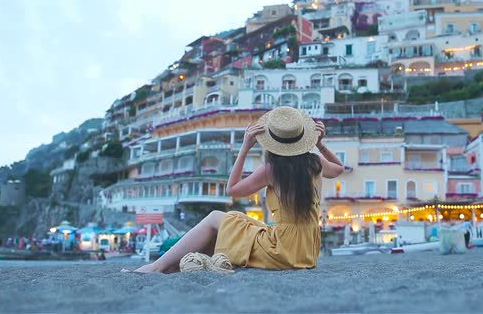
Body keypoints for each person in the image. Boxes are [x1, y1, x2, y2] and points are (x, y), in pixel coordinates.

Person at [126, 106, 344, 274]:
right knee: (241, 223)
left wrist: (245, 147)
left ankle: (156, 267)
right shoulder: (314, 162)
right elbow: (339, 169)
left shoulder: (271, 170)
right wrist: (320, 145)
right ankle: (173, 266)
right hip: (307, 251)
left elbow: (233, 189)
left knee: (215, 218)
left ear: (272, 142)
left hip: (282, 250)